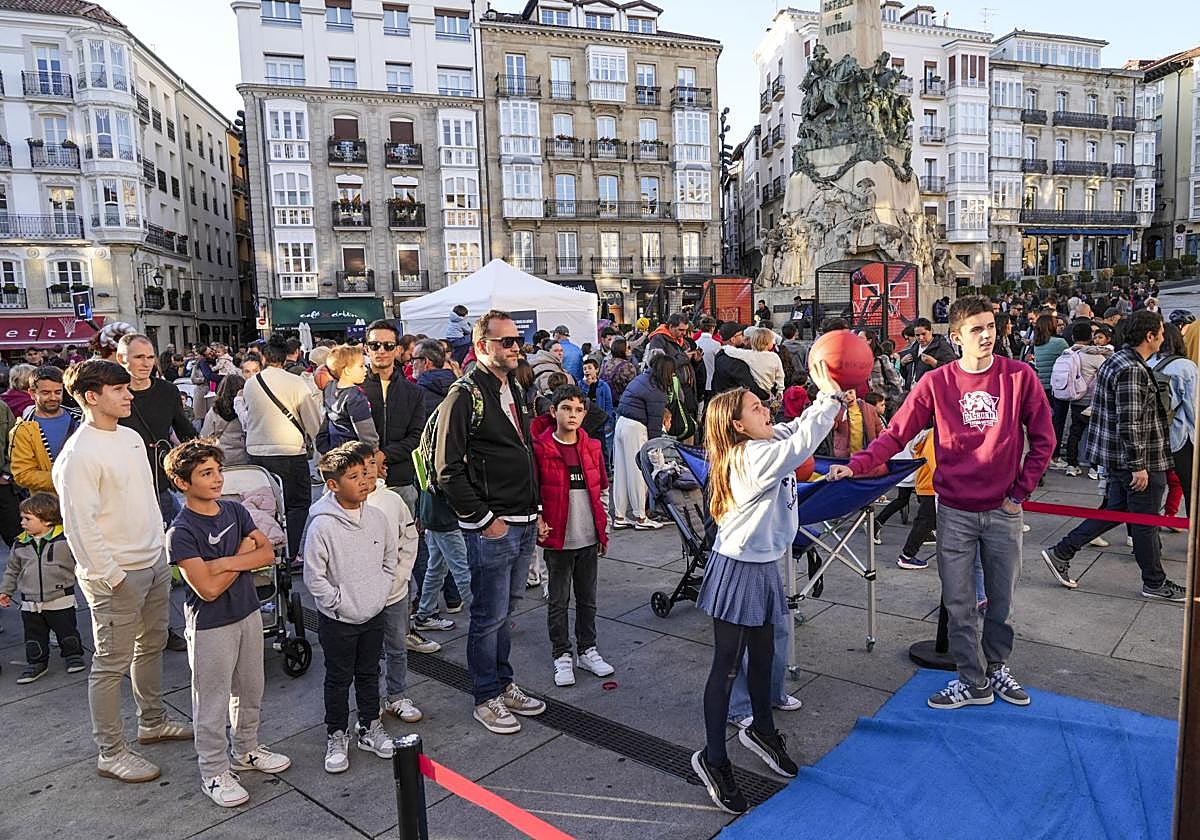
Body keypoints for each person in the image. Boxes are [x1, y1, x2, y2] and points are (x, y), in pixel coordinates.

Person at [829, 296, 1055, 711]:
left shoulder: (1019, 376)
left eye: (990, 326)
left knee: (1001, 602)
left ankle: (997, 667)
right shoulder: (936, 382)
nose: (986, 335)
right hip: (954, 511)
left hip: (1003, 511)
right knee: (959, 603)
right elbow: (897, 434)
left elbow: (1044, 439)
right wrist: (857, 465)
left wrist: (1019, 493)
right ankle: (972, 680)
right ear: (956, 337)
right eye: (976, 329)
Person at [691, 366, 846, 814]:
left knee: (762, 656)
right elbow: (801, 443)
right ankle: (713, 759)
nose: (766, 411)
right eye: (756, 408)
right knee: (726, 667)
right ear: (738, 426)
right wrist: (829, 396)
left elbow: (796, 429)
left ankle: (761, 728)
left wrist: (828, 400)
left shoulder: (765, 440)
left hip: (761, 565)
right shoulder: (750, 457)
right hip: (737, 567)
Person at [53, 360, 192, 783]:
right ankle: (110, 752)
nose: (129, 394)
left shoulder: (130, 437)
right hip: (116, 577)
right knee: (110, 665)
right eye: (118, 389)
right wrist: (112, 576)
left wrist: (160, 553)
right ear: (91, 397)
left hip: (152, 563)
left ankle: (152, 722)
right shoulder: (78, 455)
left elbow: (147, 500)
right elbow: (80, 527)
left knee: (150, 647)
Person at [433, 310, 547, 735]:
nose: (516, 348)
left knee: (506, 612)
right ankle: (485, 696)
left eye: (518, 340)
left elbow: (522, 450)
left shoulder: (511, 386)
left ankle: (503, 682)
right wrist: (485, 520)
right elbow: (447, 469)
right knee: (488, 614)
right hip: (495, 525)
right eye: (507, 342)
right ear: (482, 346)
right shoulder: (464, 394)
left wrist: (536, 510)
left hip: (523, 518)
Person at [163, 440, 290, 808]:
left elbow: (268, 552)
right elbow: (208, 589)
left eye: (218, 470)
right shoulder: (181, 532)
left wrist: (221, 562)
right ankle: (214, 772)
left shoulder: (235, 510)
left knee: (250, 689)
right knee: (212, 701)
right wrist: (241, 556)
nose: (218, 478)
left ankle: (246, 750)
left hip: (248, 611)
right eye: (206, 473)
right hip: (211, 625)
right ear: (182, 482)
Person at [1041, 310, 1188, 601]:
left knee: (1117, 510)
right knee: (1144, 522)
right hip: (1136, 460)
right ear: (1150, 336)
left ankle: (1062, 551)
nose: (1163, 337)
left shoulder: (1119, 360)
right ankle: (1154, 582)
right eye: (1160, 333)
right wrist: (1138, 465)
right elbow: (1129, 420)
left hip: (1120, 456)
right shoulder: (1131, 368)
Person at [303, 443, 397, 772]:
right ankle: (336, 733)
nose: (364, 481)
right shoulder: (322, 526)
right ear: (333, 484)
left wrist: (380, 591)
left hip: (373, 611)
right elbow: (314, 576)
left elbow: (390, 558)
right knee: (338, 678)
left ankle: (370, 726)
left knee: (369, 673)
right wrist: (337, 603)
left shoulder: (377, 518)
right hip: (338, 620)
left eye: (364, 474)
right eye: (353, 476)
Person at [532, 385, 613, 688]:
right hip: (559, 540)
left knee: (587, 599)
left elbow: (602, 489)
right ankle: (561, 654)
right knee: (558, 600)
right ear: (554, 411)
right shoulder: (541, 448)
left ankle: (587, 649)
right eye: (567, 408)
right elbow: (534, 491)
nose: (573, 415)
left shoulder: (591, 446)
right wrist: (539, 519)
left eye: (579, 409)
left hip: (588, 538)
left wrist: (603, 529)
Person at [347, 442, 424, 724]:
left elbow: (409, 538)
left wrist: (400, 576)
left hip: (394, 592)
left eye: (371, 463)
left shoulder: (392, 500)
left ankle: (397, 695)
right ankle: (369, 701)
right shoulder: (341, 506)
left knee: (397, 645)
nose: (367, 470)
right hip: (359, 596)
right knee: (365, 654)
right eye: (360, 465)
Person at [243, 335, 322, 562]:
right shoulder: (296, 383)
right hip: (289, 450)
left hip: (257, 451)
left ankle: (269, 548)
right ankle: (291, 551)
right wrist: (318, 443)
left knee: (266, 504)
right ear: (285, 356)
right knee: (298, 503)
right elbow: (312, 420)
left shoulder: (251, 383)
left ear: (264, 358)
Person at [0, 492, 86, 683]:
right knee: (34, 635)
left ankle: (73, 655)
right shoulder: (20, 543)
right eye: (22, 518)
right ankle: (37, 663)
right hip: (30, 602)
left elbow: (80, 562)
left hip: (60, 598)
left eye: (27, 518)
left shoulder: (65, 540)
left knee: (67, 631)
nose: (22, 522)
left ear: (47, 520)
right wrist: (5, 591)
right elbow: (12, 569)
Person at [116, 333, 198, 524]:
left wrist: (202, 459)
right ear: (121, 358)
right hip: (122, 485)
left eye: (150, 357)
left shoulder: (167, 391)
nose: (146, 364)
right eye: (139, 357)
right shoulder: (110, 393)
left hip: (159, 481)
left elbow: (185, 431)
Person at [360, 320, 428, 511]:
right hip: (360, 482)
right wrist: (370, 461)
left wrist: (384, 455)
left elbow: (418, 436)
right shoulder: (353, 389)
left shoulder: (414, 392)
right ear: (366, 349)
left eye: (388, 345)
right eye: (375, 345)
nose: (381, 350)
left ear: (397, 349)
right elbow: (332, 434)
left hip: (400, 481)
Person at [612, 355, 675, 530]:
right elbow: (655, 424)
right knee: (639, 472)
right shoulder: (656, 389)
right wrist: (656, 450)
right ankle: (641, 517)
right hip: (636, 428)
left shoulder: (641, 378)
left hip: (621, 423)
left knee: (621, 472)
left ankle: (620, 516)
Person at [9, 366, 81, 496]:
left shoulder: (81, 418)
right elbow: (23, 474)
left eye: (57, 392)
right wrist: (64, 479)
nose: (53, 397)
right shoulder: (23, 430)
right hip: (50, 503)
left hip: (87, 499)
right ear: (32, 393)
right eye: (46, 393)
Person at [1151, 322, 1197, 518]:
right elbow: (1193, 408)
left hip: (1151, 436)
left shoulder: (1147, 362)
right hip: (1180, 436)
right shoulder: (1186, 367)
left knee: (1152, 490)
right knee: (1191, 488)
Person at [1055, 322, 1111, 477]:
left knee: (1074, 433)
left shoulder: (1068, 354)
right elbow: (1106, 374)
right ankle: (1094, 468)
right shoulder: (1095, 356)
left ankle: (1072, 465)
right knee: (1094, 435)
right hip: (1093, 402)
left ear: (1073, 337)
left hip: (1075, 399)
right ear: (1090, 337)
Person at [1028, 314, 1070, 470]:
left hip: (1040, 387)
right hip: (1057, 387)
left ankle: (1043, 454)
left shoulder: (1035, 344)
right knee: (1057, 423)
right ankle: (1055, 455)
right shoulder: (1059, 343)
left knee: (1043, 423)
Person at [319, 345, 378, 452]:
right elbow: (365, 429)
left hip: (335, 448)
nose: (365, 369)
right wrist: (374, 449)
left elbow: (325, 419)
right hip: (354, 452)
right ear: (347, 371)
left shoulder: (329, 387)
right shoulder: (355, 396)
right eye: (361, 366)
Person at [720, 327, 786, 398]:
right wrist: (780, 390)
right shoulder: (774, 357)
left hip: (754, 391)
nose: (773, 342)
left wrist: (725, 347)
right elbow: (780, 375)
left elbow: (732, 351)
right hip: (769, 389)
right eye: (772, 340)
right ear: (767, 342)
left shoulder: (748, 354)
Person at [200, 374, 249, 466]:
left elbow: (205, 436)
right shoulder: (246, 411)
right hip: (244, 458)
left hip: (222, 458)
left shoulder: (215, 411)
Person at [711, 324, 768, 401]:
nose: (743, 337)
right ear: (733, 339)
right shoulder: (734, 361)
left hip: (724, 398)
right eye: (741, 335)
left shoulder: (721, 354)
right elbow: (749, 385)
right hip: (734, 400)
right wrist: (766, 395)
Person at [599, 338, 637, 406]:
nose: (630, 349)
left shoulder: (606, 363)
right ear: (623, 350)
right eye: (628, 347)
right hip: (621, 402)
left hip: (605, 400)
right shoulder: (628, 366)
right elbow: (633, 388)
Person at [695, 317, 722, 395]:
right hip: (712, 382)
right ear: (712, 328)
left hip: (698, 382)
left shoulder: (695, 343)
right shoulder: (716, 345)